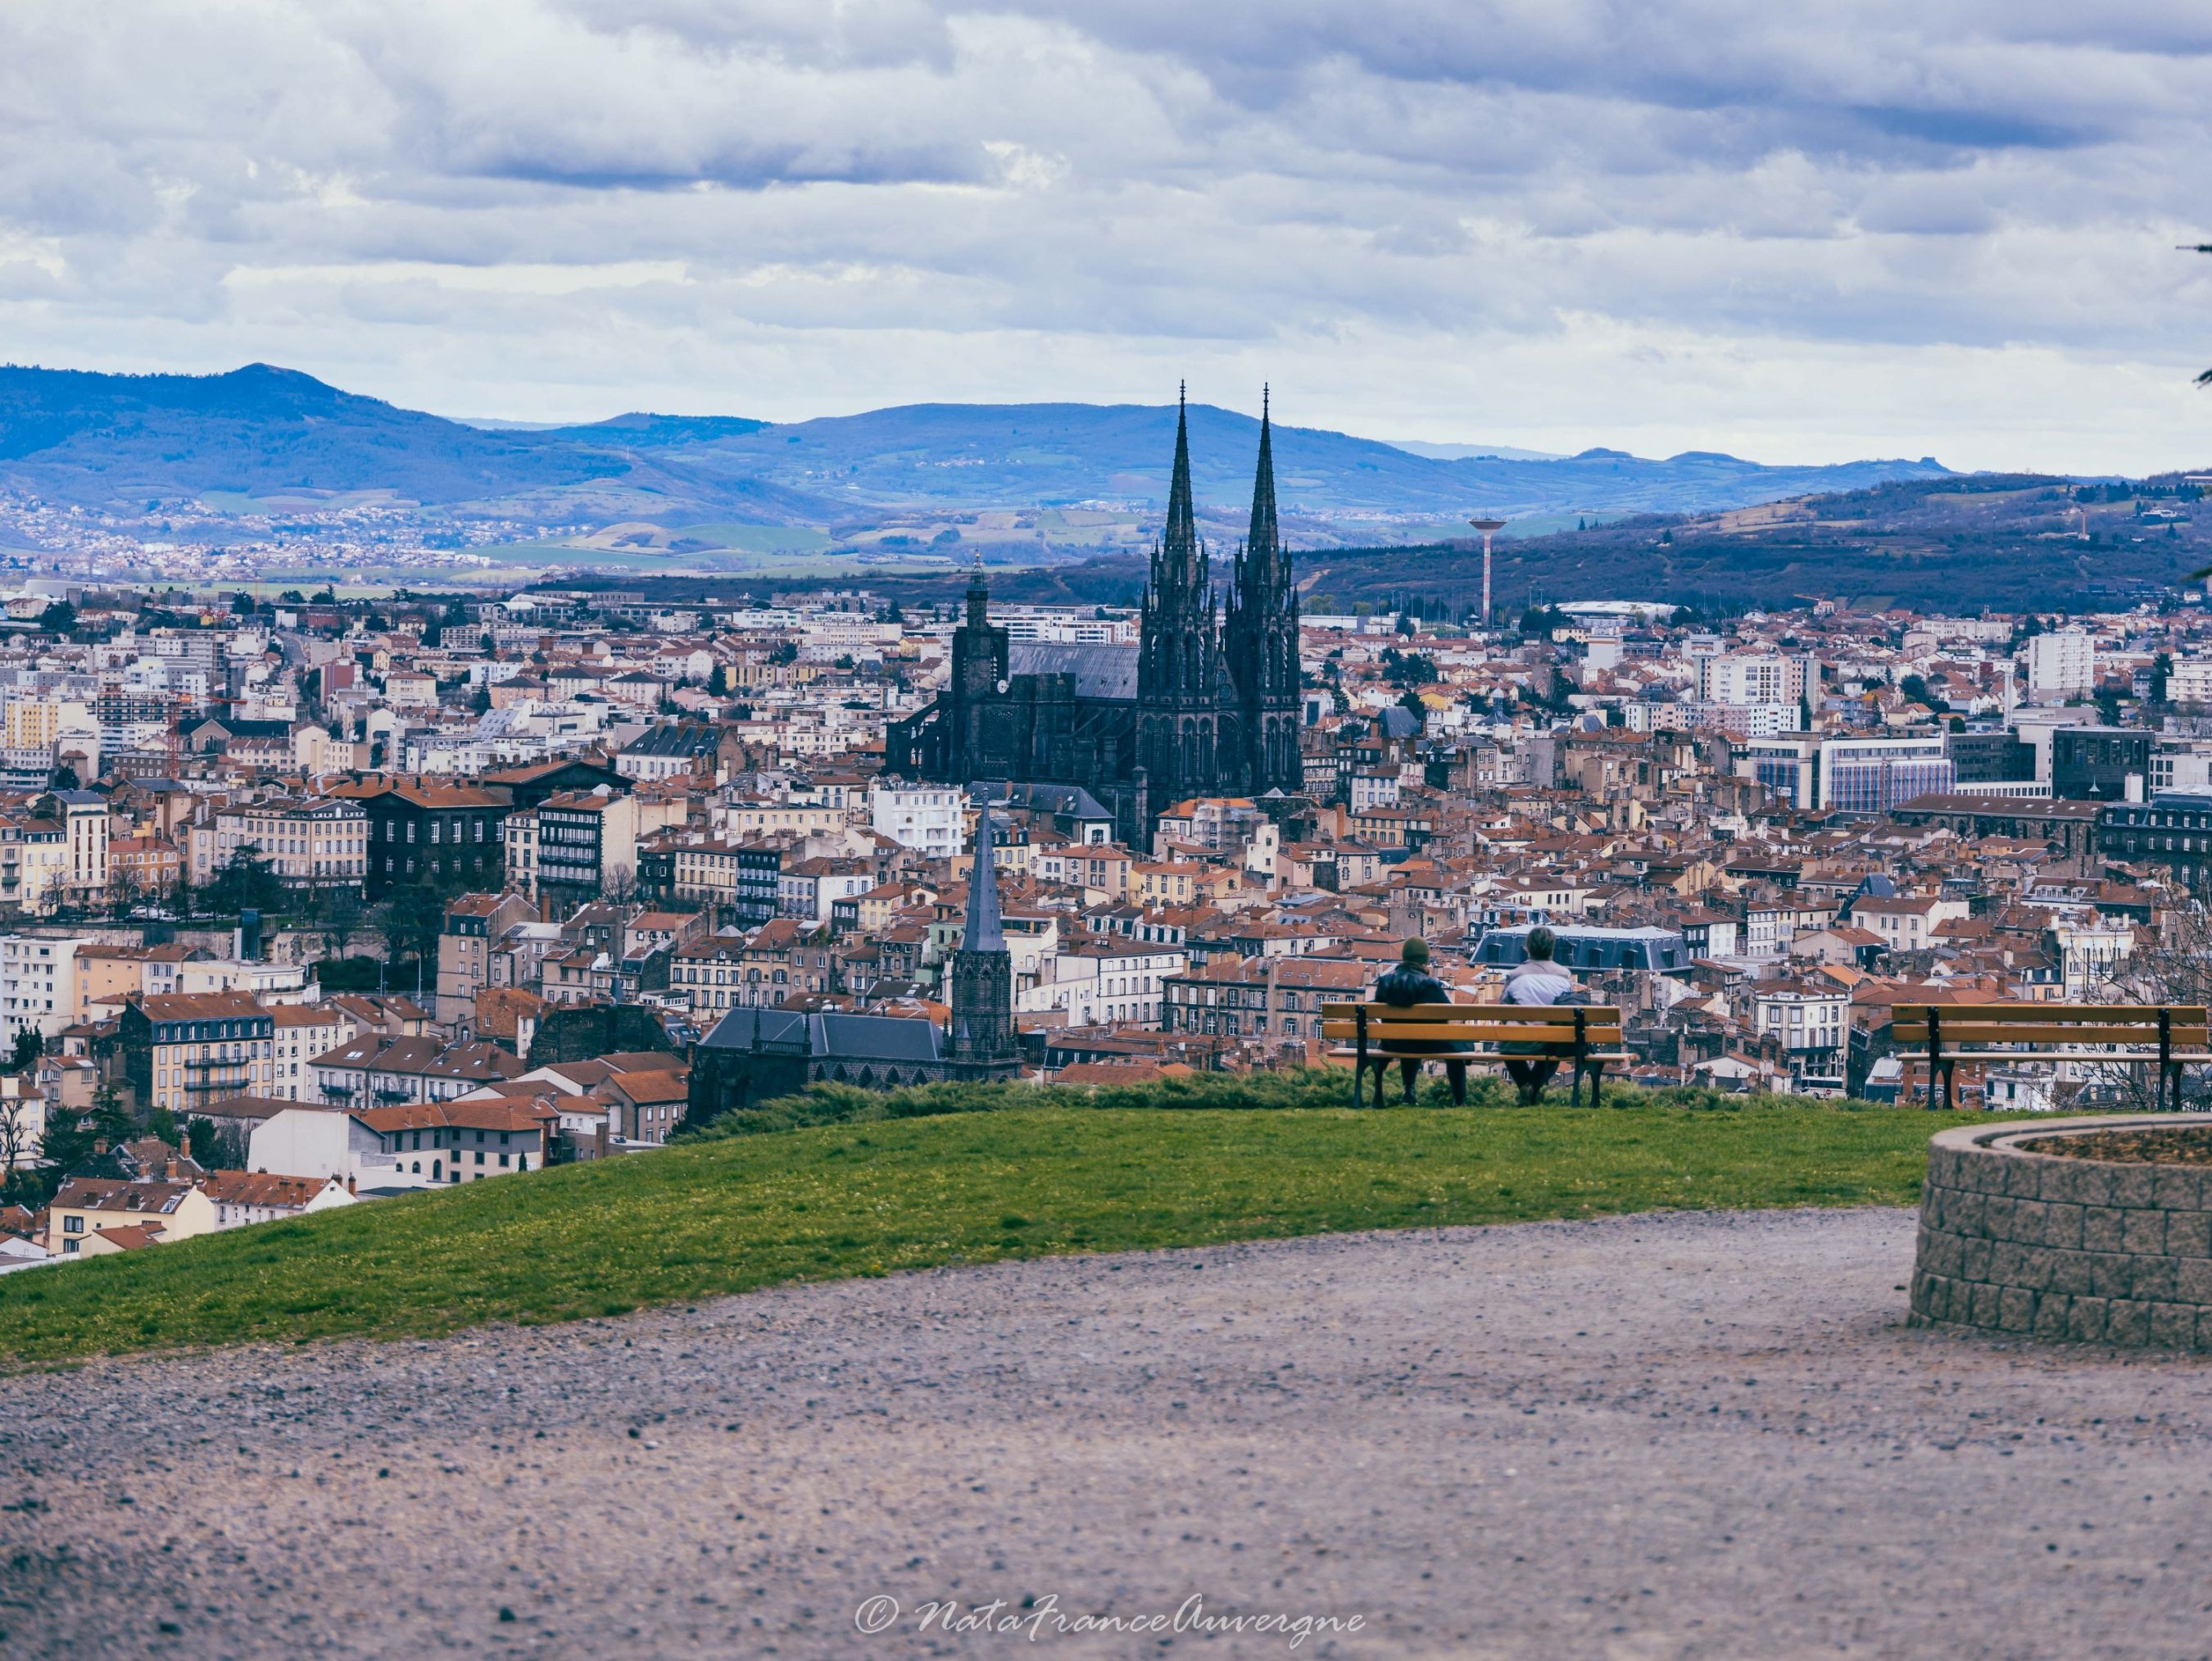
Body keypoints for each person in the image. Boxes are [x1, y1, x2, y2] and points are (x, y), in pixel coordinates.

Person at [1371, 937, 1469, 1106]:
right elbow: (1446, 1013)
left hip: (1393, 1042)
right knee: (1456, 1050)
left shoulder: (1385, 982)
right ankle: (1460, 1101)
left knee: (1408, 1037)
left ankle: (1406, 1091)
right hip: (1427, 1043)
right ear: (1425, 959)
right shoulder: (1430, 984)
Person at [1500, 925, 1577, 1105]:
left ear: (1527, 948)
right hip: (1550, 1043)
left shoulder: (1515, 975)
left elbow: (1503, 1012)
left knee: (1507, 1046)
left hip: (1517, 1042)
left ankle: (1525, 1087)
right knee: (1554, 1050)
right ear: (1552, 948)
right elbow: (1568, 1011)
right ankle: (1534, 1087)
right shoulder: (1564, 975)